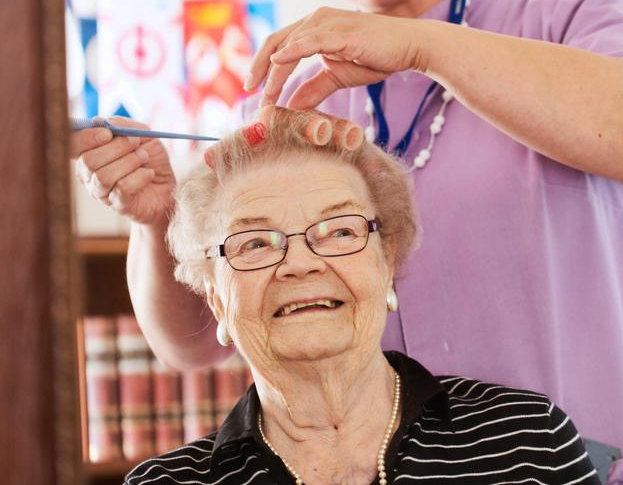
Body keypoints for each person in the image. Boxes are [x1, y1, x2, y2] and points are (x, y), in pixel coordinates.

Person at [71, 0, 623, 483]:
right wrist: (157, 218)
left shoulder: (567, 17)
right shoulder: (307, 99)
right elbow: (196, 339)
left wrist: (418, 42)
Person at [125, 107, 599, 484]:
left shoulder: (527, 443)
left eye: (338, 231)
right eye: (255, 243)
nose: (300, 263)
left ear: (386, 262)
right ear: (215, 299)